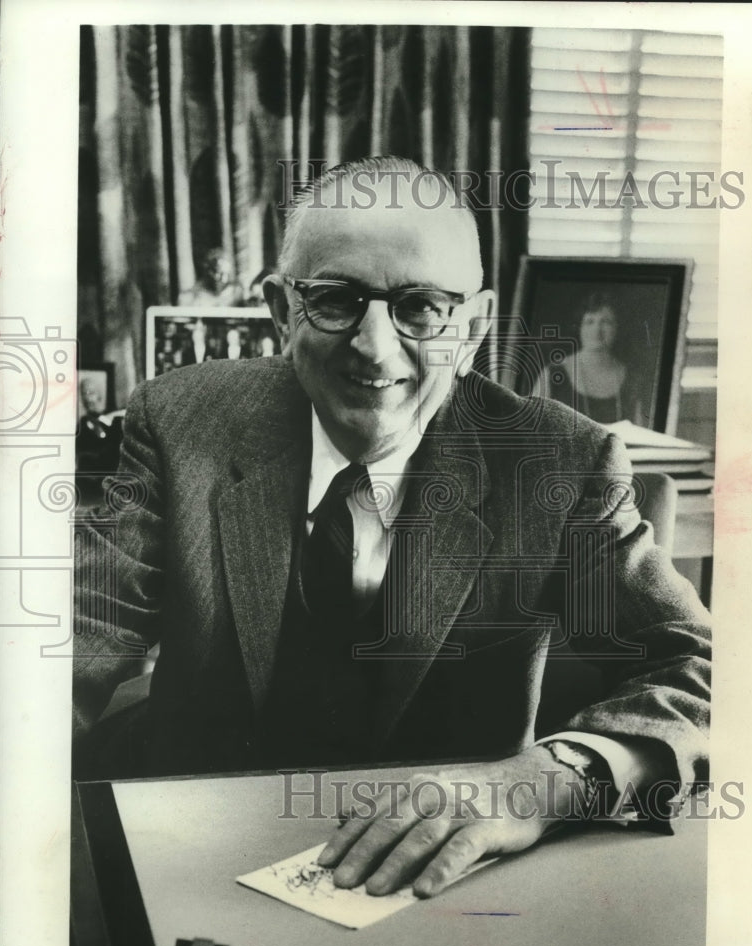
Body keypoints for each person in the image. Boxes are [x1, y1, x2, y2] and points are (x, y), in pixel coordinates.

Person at [73, 156, 710, 900]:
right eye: (334, 299)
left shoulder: (559, 461)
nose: (375, 347)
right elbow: (70, 635)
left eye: (422, 307)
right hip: (188, 850)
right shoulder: (181, 421)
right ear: (281, 310)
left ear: (472, 328)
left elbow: (702, 669)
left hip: (443, 881)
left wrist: (543, 782)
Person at [534, 293, 643, 424]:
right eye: (589, 321)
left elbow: (640, 430)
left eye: (606, 322)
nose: (597, 330)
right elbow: (531, 427)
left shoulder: (631, 379)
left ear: (617, 328)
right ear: (580, 327)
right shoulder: (553, 373)